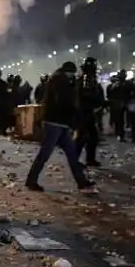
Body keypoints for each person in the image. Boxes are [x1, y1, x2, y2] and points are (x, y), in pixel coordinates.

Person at [25, 61, 95, 192]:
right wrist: (74, 114)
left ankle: (82, 182)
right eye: (72, 73)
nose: (73, 76)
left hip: (61, 123)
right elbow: (64, 101)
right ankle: (31, 180)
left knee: (72, 154)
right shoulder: (60, 81)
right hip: (54, 123)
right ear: (68, 72)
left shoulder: (60, 80)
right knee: (45, 154)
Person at [75, 57, 105, 167]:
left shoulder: (87, 78)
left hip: (86, 111)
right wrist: (100, 101)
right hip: (84, 112)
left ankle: (89, 159)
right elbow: (87, 95)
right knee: (83, 137)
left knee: (90, 136)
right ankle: (77, 160)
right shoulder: (86, 79)